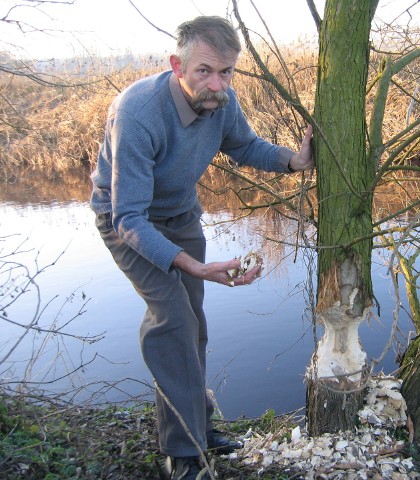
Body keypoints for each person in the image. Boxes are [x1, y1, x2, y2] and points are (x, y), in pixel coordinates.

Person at [89, 15, 314, 480]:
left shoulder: (222, 103)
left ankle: (197, 425)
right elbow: (128, 215)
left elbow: (246, 146)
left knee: (194, 324)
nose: (217, 84)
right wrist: (194, 265)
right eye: (205, 71)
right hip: (127, 219)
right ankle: (183, 451)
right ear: (178, 65)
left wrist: (293, 160)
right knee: (172, 317)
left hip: (181, 215)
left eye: (227, 72)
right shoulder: (138, 111)